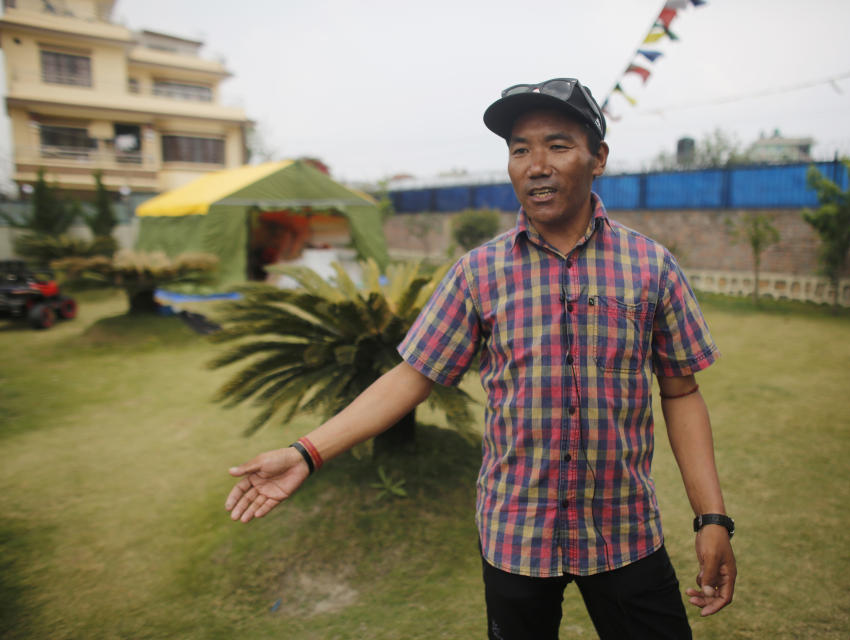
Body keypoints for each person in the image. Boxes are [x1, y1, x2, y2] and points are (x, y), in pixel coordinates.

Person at [225, 77, 736, 639]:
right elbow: (411, 377)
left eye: (558, 145)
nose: (536, 164)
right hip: (516, 534)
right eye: (520, 149)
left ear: (599, 159)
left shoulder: (651, 267)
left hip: (623, 530)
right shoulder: (479, 273)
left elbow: (681, 391)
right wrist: (306, 452)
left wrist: (711, 517)